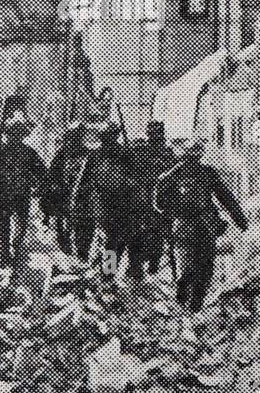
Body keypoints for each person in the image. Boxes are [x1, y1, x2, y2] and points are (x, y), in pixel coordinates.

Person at [154, 139, 249, 312]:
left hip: (192, 227)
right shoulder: (183, 174)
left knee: (194, 268)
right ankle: (109, 276)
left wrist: (241, 220)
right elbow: (225, 197)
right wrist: (241, 221)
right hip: (195, 226)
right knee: (198, 268)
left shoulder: (174, 174)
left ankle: (187, 304)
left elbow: (159, 204)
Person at [71, 119, 146, 281]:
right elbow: (83, 180)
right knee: (114, 240)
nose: (108, 139)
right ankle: (110, 273)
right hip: (106, 204)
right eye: (107, 136)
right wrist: (77, 201)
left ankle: (127, 270)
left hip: (120, 203)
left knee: (125, 238)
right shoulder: (98, 155)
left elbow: (136, 179)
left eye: (110, 136)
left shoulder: (123, 154)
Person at [0, 104, 48, 267]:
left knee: (12, 227)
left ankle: (10, 255)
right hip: (6, 194)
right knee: (9, 227)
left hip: (14, 194)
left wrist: (38, 187)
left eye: (17, 134)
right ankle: (8, 256)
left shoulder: (23, 152)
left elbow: (42, 173)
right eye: (13, 134)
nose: (15, 137)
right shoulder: (3, 150)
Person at [128, 120, 176, 273]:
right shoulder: (140, 152)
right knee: (125, 240)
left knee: (152, 237)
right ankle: (123, 270)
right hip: (139, 203)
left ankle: (142, 267)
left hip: (152, 203)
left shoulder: (164, 153)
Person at [44, 118, 89, 255]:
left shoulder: (87, 152)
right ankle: (62, 238)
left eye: (79, 136)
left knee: (77, 220)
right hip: (63, 191)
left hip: (80, 192)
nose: (76, 139)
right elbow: (53, 171)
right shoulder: (62, 153)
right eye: (74, 136)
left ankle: (77, 248)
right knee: (61, 217)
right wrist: (54, 186)